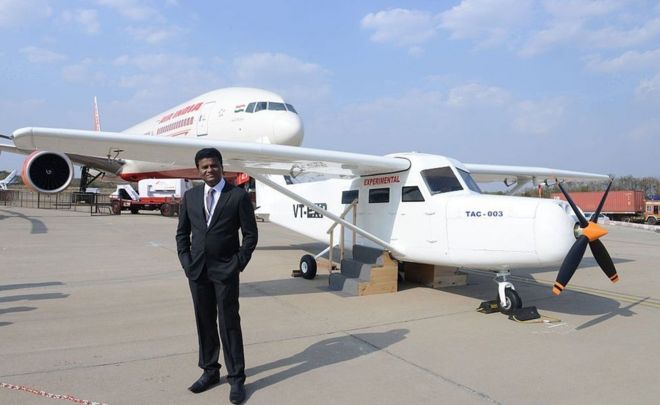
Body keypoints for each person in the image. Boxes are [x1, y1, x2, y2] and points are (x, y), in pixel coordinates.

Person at [176, 148, 258, 404]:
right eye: (204, 167)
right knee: (205, 323)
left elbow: (251, 235)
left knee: (229, 324)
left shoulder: (237, 196)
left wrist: (238, 263)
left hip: (226, 271)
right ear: (198, 170)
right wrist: (187, 263)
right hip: (197, 271)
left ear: (221, 166)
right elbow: (182, 234)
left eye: (213, 165)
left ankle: (236, 379)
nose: (209, 170)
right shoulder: (190, 197)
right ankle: (210, 371)